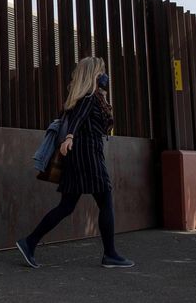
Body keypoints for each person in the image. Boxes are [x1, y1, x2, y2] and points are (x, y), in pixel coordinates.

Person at [16, 56, 134, 269]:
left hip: (78, 157)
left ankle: (29, 242)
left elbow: (101, 123)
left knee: (66, 206)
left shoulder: (86, 97)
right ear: (93, 74)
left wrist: (103, 95)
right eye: (101, 72)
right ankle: (110, 254)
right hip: (88, 156)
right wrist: (70, 136)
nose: (104, 75)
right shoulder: (88, 96)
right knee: (105, 201)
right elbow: (79, 119)